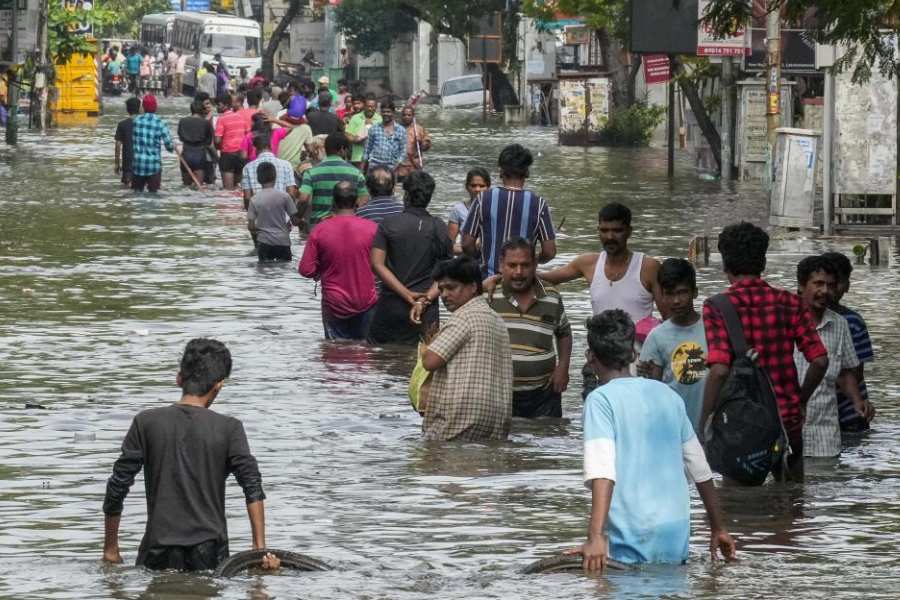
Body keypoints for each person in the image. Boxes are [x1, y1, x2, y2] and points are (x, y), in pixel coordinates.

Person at [567, 310, 736, 570]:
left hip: (632, 533)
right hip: (675, 532)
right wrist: (719, 527)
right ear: (634, 355)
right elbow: (700, 469)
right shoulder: (668, 395)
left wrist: (595, 537)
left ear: (591, 358)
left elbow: (602, 471)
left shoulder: (600, 401)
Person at [102, 338, 280, 572]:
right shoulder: (229, 428)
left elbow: (118, 485)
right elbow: (252, 486)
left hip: (157, 549)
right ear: (218, 386)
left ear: (179, 378)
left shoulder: (146, 422)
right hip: (210, 551)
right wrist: (259, 551)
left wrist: (111, 549)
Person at [701, 222, 828, 481]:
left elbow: (720, 370)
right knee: (792, 499)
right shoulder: (791, 303)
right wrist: (801, 400)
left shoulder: (716, 306)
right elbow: (820, 361)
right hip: (786, 420)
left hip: (740, 421)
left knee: (737, 504)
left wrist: (703, 419)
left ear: (725, 264)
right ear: (763, 262)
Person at [420, 256, 513, 441]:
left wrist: (429, 343)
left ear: (472, 287)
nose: (445, 294)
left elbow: (430, 361)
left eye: (451, 287)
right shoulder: (496, 318)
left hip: (460, 419)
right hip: (495, 418)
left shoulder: (462, 318)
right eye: (441, 289)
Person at [794, 256, 872, 457]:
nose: (825, 291)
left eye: (830, 285)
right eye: (818, 284)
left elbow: (846, 372)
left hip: (826, 437)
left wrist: (857, 401)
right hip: (788, 431)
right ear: (802, 286)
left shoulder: (840, 324)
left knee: (828, 485)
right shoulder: (782, 321)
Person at [488, 238, 572, 418]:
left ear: (534, 265)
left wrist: (563, 367)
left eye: (525, 265)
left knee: (547, 440)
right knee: (501, 445)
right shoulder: (488, 296)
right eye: (512, 265)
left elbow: (564, 332)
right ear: (501, 265)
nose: (519, 272)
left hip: (545, 394)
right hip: (498, 394)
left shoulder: (551, 296)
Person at [369, 170, 453, 345]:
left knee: (383, 364)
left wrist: (406, 294)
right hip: (426, 312)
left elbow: (377, 264)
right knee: (423, 364)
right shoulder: (439, 227)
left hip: (391, 307)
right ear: (429, 197)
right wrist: (425, 300)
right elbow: (447, 272)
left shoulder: (389, 225)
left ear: (406, 195)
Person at [461, 144, 556, 277]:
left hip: (488, 281)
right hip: (523, 281)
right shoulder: (539, 204)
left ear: (501, 172)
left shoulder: (483, 199)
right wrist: (530, 263)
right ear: (527, 173)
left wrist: (481, 258)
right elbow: (549, 252)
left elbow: (466, 244)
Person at [299, 182, 379, 340]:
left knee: (336, 354)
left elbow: (305, 269)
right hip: (367, 301)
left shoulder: (320, 230)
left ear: (333, 202)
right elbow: (383, 265)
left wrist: (321, 269)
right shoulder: (373, 229)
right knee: (364, 354)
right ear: (356, 202)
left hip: (334, 303)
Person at [637, 258, 708, 433]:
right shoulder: (657, 337)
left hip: (710, 426)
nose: (676, 301)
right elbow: (650, 391)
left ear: (695, 292)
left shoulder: (713, 329)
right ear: (660, 295)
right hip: (673, 428)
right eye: (669, 294)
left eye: (682, 292)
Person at [821, 251, 876, 434]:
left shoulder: (852, 322)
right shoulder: (799, 320)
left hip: (848, 413)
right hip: (818, 412)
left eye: (837, 283)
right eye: (826, 283)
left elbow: (855, 372)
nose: (831, 289)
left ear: (847, 285)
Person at [298, 132, 368, 227]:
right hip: (347, 227)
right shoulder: (356, 173)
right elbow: (364, 201)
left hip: (318, 226)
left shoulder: (311, 172)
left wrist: (297, 217)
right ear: (343, 149)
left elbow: (303, 199)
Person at [248, 162, 299, 262]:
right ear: (275, 177)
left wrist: (260, 228)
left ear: (258, 179)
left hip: (264, 243)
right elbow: (295, 221)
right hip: (283, 242)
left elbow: (251, 227)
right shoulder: (285, 196)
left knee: (264, 272)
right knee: (284, 271)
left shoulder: (254, 199)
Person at [131, 95, 176, 193]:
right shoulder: (160, 123)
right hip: (153, 166)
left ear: (143, 107)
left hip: (138, 164)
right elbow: (169, 145)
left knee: (137, 194)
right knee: (153, 195)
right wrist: (173, 147)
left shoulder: (136, 121)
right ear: (155, 107)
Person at [241, 133, 299, 209]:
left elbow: (247, 198)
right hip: (281, 214)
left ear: (255, 149)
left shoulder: (248, 167)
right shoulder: (286, 165)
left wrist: (251, 216)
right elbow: (291, 193)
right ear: (271, 146)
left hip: (259, 215)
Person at [448, 167, 490, 254]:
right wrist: (472, 246)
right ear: (467, 187)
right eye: (473, 186)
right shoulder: (458, 209)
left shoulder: (494, 208)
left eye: (482, 186)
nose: (477, 189)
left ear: (488, 188)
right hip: (468, 260)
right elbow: (448, 246)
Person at [215, 93, 250, 190]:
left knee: (228, 191)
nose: (216, 107)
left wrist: (218, 147)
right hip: (240, 156)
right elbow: (248, 136)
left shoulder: (221, 119)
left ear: (226, 105)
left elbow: (217, 140)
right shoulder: (241, 117)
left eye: (218, 104)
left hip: (227, 156)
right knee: (237, 188)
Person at [177, 100, 215, 187]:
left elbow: (180, 137)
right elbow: (209, 142)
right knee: (198, 188)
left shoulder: (182, 121)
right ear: (202, 110)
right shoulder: (206, 123)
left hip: (185, 155)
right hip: (199, 156)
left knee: (186, 186)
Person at [363, 101, 406, 173]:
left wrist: (394, 168)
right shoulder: (374, 128)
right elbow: (367, 151)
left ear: (393, 113)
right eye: (383, 112)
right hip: (374, 166)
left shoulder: (401, 130)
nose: (386, 114)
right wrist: (361, 171)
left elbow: (403, 152)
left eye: (388, 112)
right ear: (380, 113)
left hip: (392, 167)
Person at [395, 105, 432, 181]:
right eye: (404, 115)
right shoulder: (396, 128)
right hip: (399, 166)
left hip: (414, 165)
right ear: (401, 116)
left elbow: (427, 146)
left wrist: (420, 142)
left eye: (409, 115)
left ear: (413, 116)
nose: (406, 117)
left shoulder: (419, 129)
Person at [272, 104, 313, 170]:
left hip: (275, 166)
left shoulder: (276, 126)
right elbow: (311, 150)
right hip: (293, 168)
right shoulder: (305, 128)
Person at [346, 95, 381, 168]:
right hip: (358, 157)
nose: (370, 109)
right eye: (368, 106)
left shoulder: (380, 119)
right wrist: (355, 139)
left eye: (373, 107)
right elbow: (347, 134)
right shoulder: (355, 118)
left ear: (376, 107)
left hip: (375, 158)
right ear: (364, 106)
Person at [114, 96, 141, 187]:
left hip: (128, 166)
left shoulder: (122, 125)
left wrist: (117, 164)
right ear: (139, 109)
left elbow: (118, 145)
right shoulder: (144, 124)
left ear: (127, 109)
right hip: (142, 165)